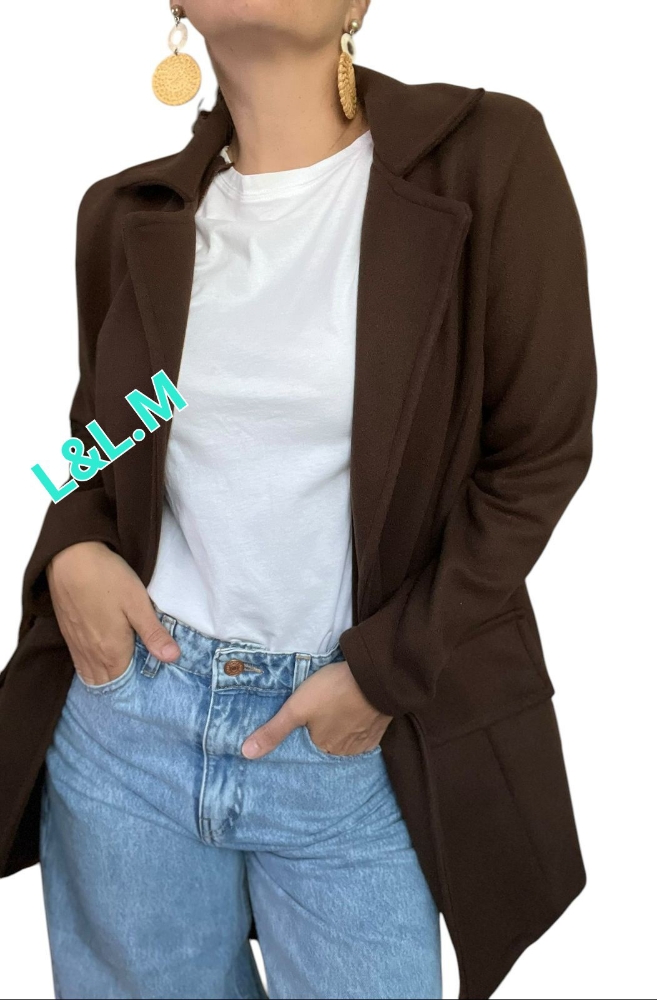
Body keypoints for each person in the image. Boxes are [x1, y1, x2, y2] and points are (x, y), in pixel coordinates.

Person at [0, 2, 597, 998]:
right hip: (128, 721)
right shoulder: (127, 214)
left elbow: (537, 455)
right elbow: (106, 437)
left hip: (352, 731)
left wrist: (383, 673)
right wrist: (70, 545)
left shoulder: (484, 158)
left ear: (357, 5)